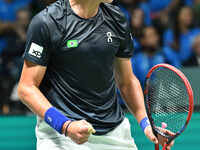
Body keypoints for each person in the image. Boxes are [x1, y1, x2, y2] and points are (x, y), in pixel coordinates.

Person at [18, 0, 174, 150]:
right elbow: (27, 88)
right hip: (61, 135)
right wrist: (65, 126)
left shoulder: (116, 19)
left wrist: (147, 125)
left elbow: (127, 81)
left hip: (115, 134)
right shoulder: (48, 21)